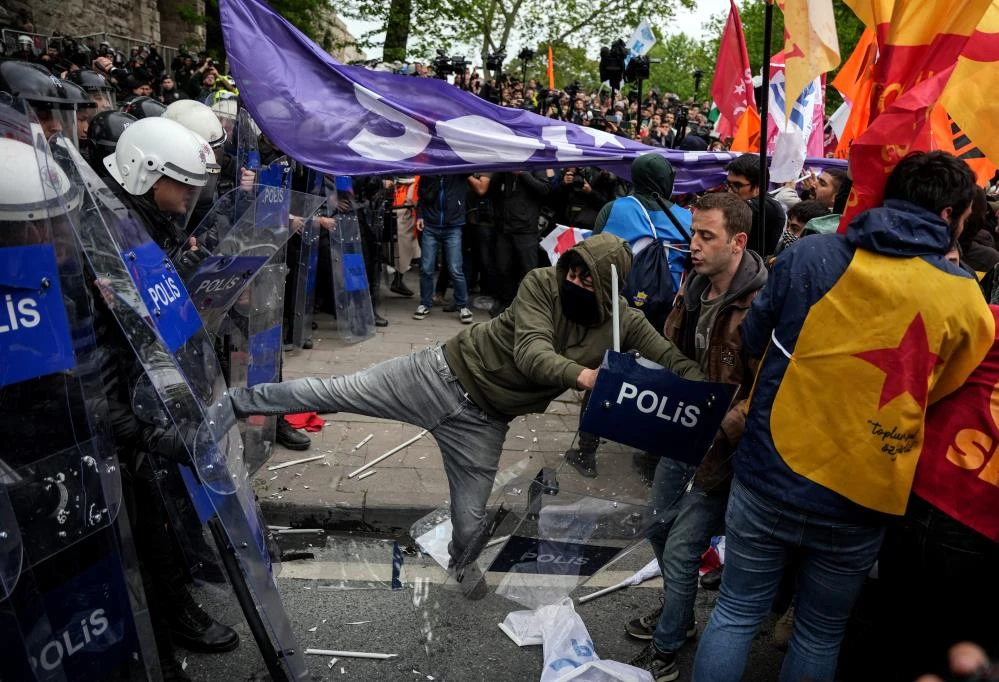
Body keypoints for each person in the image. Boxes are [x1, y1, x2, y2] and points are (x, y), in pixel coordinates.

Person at [227, 233, 704, 584]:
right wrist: (585, 377)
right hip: (434, 376)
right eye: (572, 272)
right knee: (329, 392)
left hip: (484, 422)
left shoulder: (627, 323)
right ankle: (237, 403)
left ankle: (460, 565)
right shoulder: (542, 282)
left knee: (471, 523)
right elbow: (532, 353)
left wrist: (715, 399)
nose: (574, 281)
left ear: (607, 286)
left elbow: (674, 360)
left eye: (586, 278)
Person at [691, 151, 996, 682]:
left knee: (737, 612)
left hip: (772, 470)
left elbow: (755, 339)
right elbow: (942, 390)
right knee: (819, 630)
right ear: (951, 214)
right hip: (865, 489)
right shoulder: (966, 298)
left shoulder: (811, 256)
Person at [628, 192, 766, 682]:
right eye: (693, 233)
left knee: (685, 547)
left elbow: (769, 385)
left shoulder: (759, 304)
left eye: (707, 236)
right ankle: (678, 615)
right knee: (658, 527)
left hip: (724, 453)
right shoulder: (693, 285)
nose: (695, 244)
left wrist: (732, 421)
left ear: (738, 241)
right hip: (682, 435)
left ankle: (667, 646)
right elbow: (672, 350)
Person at [566, 154, 692, 478]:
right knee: (660, 379)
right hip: (667, 314)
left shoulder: (616, 209)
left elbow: (592, 253)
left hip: (620, 308)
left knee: (605, 372)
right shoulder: (686, 217)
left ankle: (586, 453)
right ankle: (650, 460)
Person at [413, 173, 474, 323]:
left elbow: (471, 165)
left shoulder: (457, 171)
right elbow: (422, 196)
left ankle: (463, 305)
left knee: (455, 268)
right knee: (426, 268)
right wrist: (420, 216)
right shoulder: (428, 173)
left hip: (452, 225)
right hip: (431, 225)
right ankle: (425, 303)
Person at [725, 153, 786, 257]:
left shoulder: (769, 206)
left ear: (758, 187)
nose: (730, 191)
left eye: (737, 185)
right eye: (728, 184)